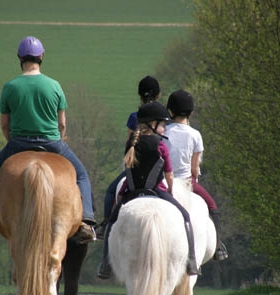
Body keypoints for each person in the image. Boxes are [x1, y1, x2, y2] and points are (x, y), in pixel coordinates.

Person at [0, 36, 96, 249]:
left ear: (20, 57)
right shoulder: (54, 85)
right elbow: (61, 122)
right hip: (52, 143)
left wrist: (12, 143)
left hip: (18, 143)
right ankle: (86, 222)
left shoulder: (10, 87)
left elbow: (5, 124)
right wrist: (60, 138)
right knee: (82, 175)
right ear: (41, 57)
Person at [97, 102, 199, 279]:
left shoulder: (131, 142)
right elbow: (169, 175)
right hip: (156, 191)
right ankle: (191, 261)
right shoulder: (161, 145)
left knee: (111, 223)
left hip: (131, 192)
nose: (164, 128)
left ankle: (106, 263)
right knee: (186, 216)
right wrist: (171, 190)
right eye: (162, 124)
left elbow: (128, 169)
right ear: (153, 124)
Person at [165, 89, 228, 261]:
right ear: (191, 112)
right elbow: (194, 169)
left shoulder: (163, 132)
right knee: (212, 206)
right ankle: (218, 247)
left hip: (164, 182)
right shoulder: (195, 135)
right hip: (187, 183)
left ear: (170, 111)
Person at [96, 75, 161, 239]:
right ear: (159, 95)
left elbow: (129, 147)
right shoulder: (162, 116)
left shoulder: (134, 117)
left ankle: (105, 225)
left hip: (137, 172)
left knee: (111, 191)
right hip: (159, 169)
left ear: (139, 95)